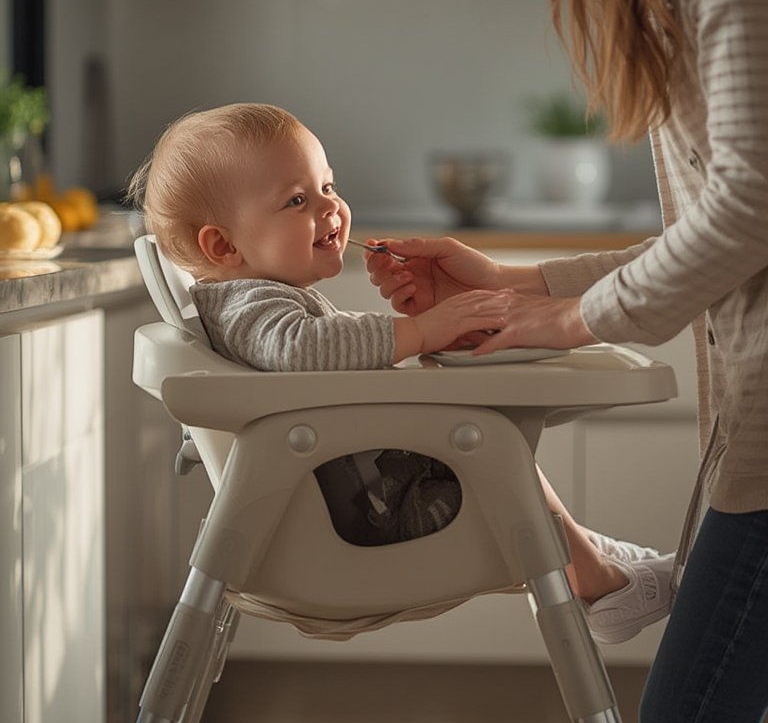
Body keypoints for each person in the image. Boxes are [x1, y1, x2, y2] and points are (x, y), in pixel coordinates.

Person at [365, 0, 768, 723]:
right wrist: (518, 287)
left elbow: (756, 200)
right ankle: (626, 577)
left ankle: (622, 577)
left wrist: (567, 319)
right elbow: (717, 221)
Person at [128, 101, 672, 635]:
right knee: (494, 447)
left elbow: (319, 359)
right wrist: (421, 332)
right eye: (297, 199)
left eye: (329, 187)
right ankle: (597, 581)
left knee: (495, 449)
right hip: (367, 519)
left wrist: (428, 330)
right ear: (222, 245)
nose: (330, 208)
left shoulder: (256, 299)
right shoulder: (252, 307)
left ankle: (593, 558)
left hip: (350, 505)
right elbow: (300, 348)